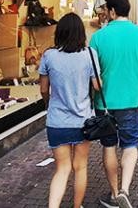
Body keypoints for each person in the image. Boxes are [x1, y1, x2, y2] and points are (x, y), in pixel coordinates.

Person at [90, 0, 138, 208]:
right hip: (131, 101)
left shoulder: (97, 38)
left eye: (106, 10)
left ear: (112, 11)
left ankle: (113, 193)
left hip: (105, 104)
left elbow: (93, 75)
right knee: (130, 145)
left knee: (109, 147)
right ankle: (124, 190)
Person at [39, 13, 100, 208]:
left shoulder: (49, 55)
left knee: (61, 169)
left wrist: (48, 104)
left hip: (56, 121)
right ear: (81, 33)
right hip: (83, 121)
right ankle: (77, 206)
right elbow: (97, 86)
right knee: (80, 167)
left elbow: (43, 88)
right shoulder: (89, 54)